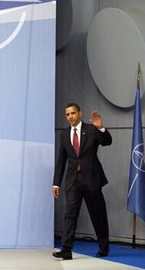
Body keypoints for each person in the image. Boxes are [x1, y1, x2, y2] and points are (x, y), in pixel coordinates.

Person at [52, 103, 112, 260]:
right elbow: (61, 159)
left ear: (80, 113)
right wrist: (56, 182)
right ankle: (66, 249)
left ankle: (104, 246)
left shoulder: (92, 129)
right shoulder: (64, 134)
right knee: (70, 214)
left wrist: (101, 128)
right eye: (67, 114)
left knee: (97, 214)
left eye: (73, 113)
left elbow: (107, 142)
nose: (70, 116)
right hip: (73, 181)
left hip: (92, 179)